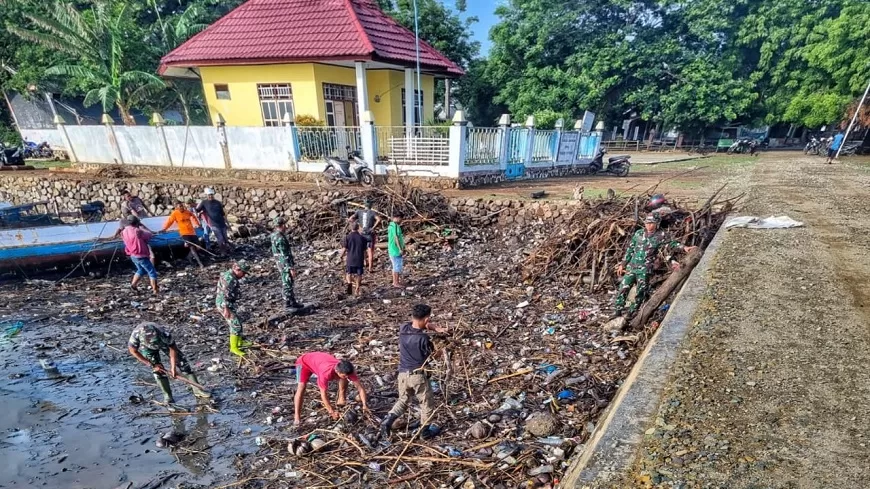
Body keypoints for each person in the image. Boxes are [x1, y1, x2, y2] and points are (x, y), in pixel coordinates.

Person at [379, 304, 447, 440]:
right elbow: (433, 356)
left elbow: (422, 325)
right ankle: (424, 432)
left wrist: (436, 328)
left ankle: (388, 421)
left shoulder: (403, 328)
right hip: (418, 376)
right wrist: (443, 347)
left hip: (403, 374)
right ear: (427, 318)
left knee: (403, 400)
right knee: (427, 404)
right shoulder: (423, 339)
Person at [614, 214, 697, 316]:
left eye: (651, 223)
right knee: (623, 288)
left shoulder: (660, 235)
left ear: (656, 224)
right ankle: (617, 311)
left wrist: (684, 248)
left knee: (641, 292)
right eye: (647, 223)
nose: (649, 225)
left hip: (645, 269)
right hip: (632, 267)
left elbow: (672, 244)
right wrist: (623, 264)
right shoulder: (638, 233)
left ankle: (631, 313)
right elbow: (630, 250)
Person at [128, 322, 211, 410]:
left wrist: (173, 368)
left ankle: (197, 390)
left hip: (163, 343)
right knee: (158, 371)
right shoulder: (135, 337)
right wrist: (151, 364)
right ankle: (167, 396)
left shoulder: (165, 334)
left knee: (183, 363)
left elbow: (172, 349)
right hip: (147, 348)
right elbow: (133, 351)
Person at [293, 352, 370, 425]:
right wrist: (331, 412)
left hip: (318, 360)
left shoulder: (347, 370)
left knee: (344, 378)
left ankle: (341, 399)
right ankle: (297, 418)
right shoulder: (325, 373)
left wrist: (364, 405)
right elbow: (323, 394)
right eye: (344, 375)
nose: (347, 377)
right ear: (337, 371)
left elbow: (360, 388)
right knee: (301, 387)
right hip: (304, 363)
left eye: (348, 375)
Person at [216, 260, 250, 357]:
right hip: (224, 304)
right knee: (235, 325)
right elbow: (225, 294)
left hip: (227, 303)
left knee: (237, 321)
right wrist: (226, 308)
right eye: (243, 273)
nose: (243, 275)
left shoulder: (229, 274)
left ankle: (240, 342)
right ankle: (234, 348)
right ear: (238, 269)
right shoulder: (230, 279)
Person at [271, 217, 302, 311]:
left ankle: (292, 301)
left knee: (288, 282)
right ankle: (288, 303)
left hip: (280, 262)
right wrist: (291, 268)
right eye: (284, 224)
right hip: (284, 263)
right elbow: (285, 254)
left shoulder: (274, 235)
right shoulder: (280, 238)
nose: (286, 226)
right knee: (287, 282)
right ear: (282, 225)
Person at [122, 215, 159, 295]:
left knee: (141, 270)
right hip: (141, 255)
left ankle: (133, 285)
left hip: (132, 255)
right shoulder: (137, 231)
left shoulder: (124, 231)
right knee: (152, 272)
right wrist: (143, 228)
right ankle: (155, 290)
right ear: (136, 223)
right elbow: (149, 235)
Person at [162, 200, 203, 268]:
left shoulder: (187, 212)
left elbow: (194, 217)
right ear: (177, 207)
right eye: (180, 206)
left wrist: (197, 225)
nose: (182, 207)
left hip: (192, 232)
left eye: (182, 206)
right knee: (192, 247)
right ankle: (200, 263)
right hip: (184, 233)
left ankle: (189, 257)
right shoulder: (175, 214)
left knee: (198, 246)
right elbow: (170, 222)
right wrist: (164, 229)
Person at [348, 199, 381, 272]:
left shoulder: (359, 212)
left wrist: (358, 226)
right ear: (371, 205)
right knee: (370, 251)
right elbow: (379, 219)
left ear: (364, 205)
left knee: (362, 249)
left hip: (361, 234)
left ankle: (364, 262)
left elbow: (350, 219)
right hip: (370, 234)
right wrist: (373, 228)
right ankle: (370, 268)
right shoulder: (372, 213)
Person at [196, 188, 229, 252]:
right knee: (220, 239)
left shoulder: (218, 203)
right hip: (214, 224)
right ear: (207, 195)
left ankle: (226, 250)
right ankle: (222, 251)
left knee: (225, 239)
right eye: (209, 195)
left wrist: (228, 224)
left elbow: (223, 214)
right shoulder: (204, 203)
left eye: (211, 195)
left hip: (222, 223)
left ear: (213, 195)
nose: (210, 196)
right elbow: (197, 210)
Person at [341, 222, 368, 296]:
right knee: (359, 274)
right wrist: (365, 260)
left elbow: (344, 249)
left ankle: (349, 283)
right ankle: (357, 289)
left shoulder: (347, 237)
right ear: (358, 228)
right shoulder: (363, 238)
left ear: (351, 228)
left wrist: (341, 256)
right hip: (359, 259)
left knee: (348, 273)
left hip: (350, 259)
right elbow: (364, 251)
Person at [387, 212, 405, 287]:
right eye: (401, 219)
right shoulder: (394, 226)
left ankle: (395, 281)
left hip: (393, 249)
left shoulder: (392, 225)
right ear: (398, 217)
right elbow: (396, 237)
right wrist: (400, 248)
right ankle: (396, 283)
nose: (401, 220)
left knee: (395, 266)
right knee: (397, 266)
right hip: (395, 249)